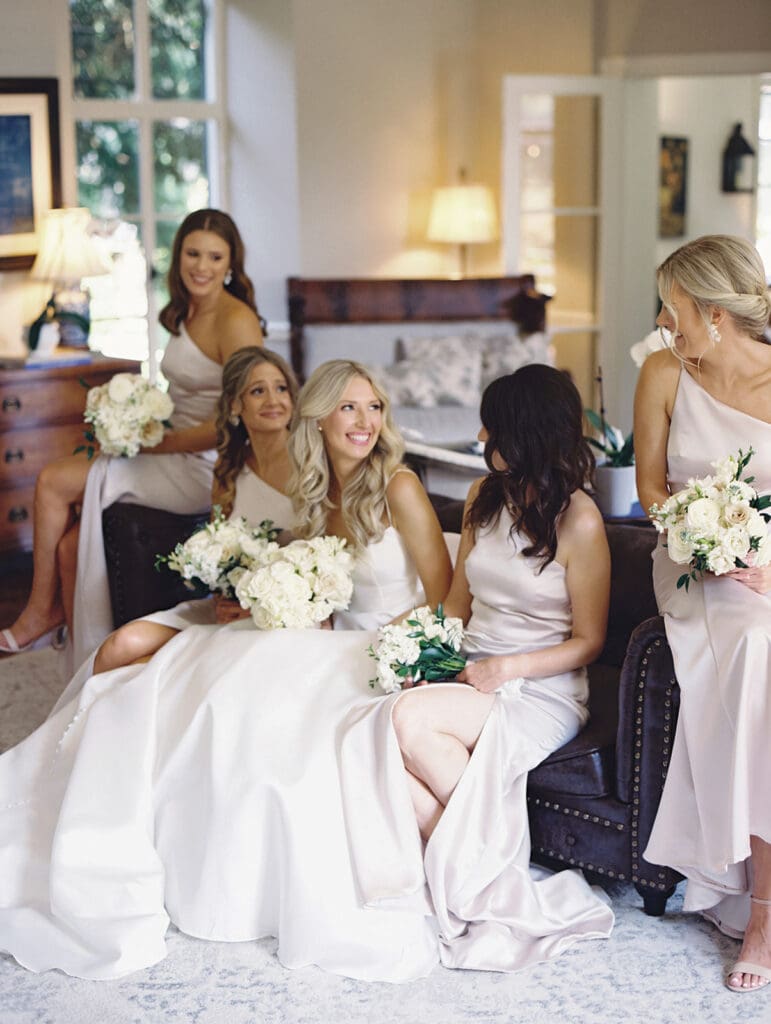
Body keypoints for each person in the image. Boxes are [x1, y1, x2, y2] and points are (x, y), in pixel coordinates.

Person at [0, 359, 454, 981]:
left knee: (248, 680)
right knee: (210, 671)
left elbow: (443, 596)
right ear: (320, 418)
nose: (364, 421)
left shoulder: (397, 486)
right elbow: (313, 578)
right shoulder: (317, 491)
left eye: (373, 407)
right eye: (349, 407)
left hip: (382, 647)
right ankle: (118, 816)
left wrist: (410, 654)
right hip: (330, 638)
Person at [338, 364, 614, 972]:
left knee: (405, 721)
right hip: (472, 672)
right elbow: (457, 607)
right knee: (372, 743)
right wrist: (426, 656)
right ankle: (489, 874)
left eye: (492, 427)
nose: (482, 435)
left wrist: (508, 668)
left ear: (525, 433)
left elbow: (589, 642)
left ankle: (482, 874)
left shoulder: (580, 520)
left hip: (542, 688)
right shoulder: (482, 499)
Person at [0, 208, 265, 665]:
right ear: (178, 255)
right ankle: (86, 655)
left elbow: (236, 422)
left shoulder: (235, 320)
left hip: (206, 466)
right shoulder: (187, 309)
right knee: (69, 546)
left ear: (231, 264)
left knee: (53, 481)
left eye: (215, 257)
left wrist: (156, 442)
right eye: (193, 254)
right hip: (169, 449)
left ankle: (40, 611)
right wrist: (134, 419)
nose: (201, 266)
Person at [634, 235, 771, 994]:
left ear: (714, 314)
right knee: (756, 644)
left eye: (673, 307)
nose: (663, 321)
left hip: (768, 564)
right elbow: (650, 488)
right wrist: (698, 536)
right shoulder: (662, 372)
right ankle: (761, 911)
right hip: (690, 565)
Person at [85, 346, 298, 683]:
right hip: (229, 608)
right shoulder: (228, 468)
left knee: (145, 670)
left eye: (281, 388)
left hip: (283, 614)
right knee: (118, 646)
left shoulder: (311, 464)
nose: (273, 400)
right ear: (235, 405)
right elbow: (217, 548)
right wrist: (221, 596)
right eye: (258, 391)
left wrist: (261, 604)